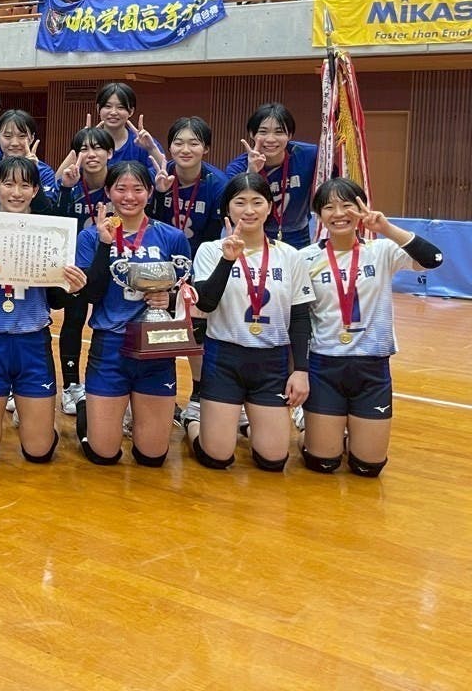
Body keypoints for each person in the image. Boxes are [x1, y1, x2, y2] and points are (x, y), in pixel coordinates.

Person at [0, 156, 87, 462]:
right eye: (8, 184)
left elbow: (56, 301)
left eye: (25, 185)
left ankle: (35, 416)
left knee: (39, 452)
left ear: (36, 190)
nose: (16, 192)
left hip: (33, 343)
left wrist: (72, 288)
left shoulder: (50, 234)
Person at [299, 178, 443, 477]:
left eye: (347, 205)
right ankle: (310, 428)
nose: (339, 213)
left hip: (372, 368)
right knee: (323, 464)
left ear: (361, 209)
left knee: (368, 468)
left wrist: (386, 228)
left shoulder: (382, 251)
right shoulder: (305, 258)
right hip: (325, 366)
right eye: (329, 207)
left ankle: (344, 432)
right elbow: (297, 318)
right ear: (319, 214)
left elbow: (434, 259)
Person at [184, 173, 313, 472]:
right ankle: (193, 421)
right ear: (227, 209)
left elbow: (300, 318)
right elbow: (205, 303)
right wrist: (227, 259)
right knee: (217, 457)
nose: (249, 210)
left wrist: (301, 371)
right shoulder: (210, 250)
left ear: (270, 207)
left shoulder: (290, 256)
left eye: (257, 202)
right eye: (240, 202)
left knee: (273, 460)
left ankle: (247, 423)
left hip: (271, 362)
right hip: (224, 359)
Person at [74, 161, 191, 466]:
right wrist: (104, 245)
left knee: (153, 456)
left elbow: (187, 290)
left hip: (156, 344)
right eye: (121, 189)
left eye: (137, 189)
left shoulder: (171, 237)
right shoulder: (91, 236)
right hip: (110, 343)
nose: (129, 196)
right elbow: (91, 294)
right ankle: (88, 413)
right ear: (108, 192)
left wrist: (169, 298)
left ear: (150, 192)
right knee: (103, 454)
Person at [150, 117, 225, 424]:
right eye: (178, 142)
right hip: (158, 265)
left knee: (196, 332)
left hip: (198, 266)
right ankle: (158, 391)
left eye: (194, 143)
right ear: (169, 147)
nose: (185, 149)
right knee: (157, 330)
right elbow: (145, 218)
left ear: (206, 148)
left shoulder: (217, 184)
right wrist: (158, 194)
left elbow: (218, 233)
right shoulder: (159, 175)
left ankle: (197, 394)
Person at [53, 126, 116, 414]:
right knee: (74, 319)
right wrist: (66, 188)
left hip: (111, 262)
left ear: (110, 153)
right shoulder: (71, 184)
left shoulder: (119, 185)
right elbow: (57, 221)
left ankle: (113, 384)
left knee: (115, 321)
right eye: (84, 149)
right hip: (75, 266)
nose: (91, 154)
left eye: (98, 147)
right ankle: (70, 386)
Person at [224, 103, 318, 248]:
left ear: (289, 135)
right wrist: (251, 172)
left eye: (279, 132)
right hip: (254, 233)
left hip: (298, 234)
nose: (271, 139)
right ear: (252, 134)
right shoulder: (238, 168)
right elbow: (235, 205)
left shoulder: (310, 155)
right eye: (263, 132)